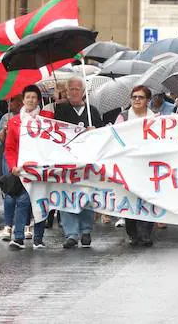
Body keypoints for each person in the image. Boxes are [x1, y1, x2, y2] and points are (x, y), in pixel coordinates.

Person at [53, 76, 103, 249]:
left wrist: (94, 132)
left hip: (86, 162)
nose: (74, 92)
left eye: (77, 89)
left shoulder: (93, 111)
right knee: (66, 196)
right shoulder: (59, 110)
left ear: (83, 92)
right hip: (66, 161)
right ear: (66, 92)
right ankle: (72, 233)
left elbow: (104, 135)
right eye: (71, 89)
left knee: (86, 195)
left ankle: (86, 230)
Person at [4, 86, 49, 249]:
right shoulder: (14, 121)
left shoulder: (46, 119)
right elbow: (9, 148)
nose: (30, 100)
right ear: (23, 100)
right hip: (22, 169)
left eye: (34, 97)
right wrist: (12, 166)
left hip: (41, 169)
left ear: (38, 100)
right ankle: (18, 237)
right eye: (28, 97)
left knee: (40, 202)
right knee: (22, 201)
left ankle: (38, 238)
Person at [114, 85, 156, 246]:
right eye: (134, 97)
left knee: (148, 198)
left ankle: (146, 232)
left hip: (149, 164)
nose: (137, 100)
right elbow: (114, 136)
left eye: (141, 97)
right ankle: (133, 232)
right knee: (130, 198)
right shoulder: (123, 117)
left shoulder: (156, 119)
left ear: (148, 101)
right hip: (128, 164)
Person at [0, 95, 23, 241]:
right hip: (9, 160)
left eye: (13, 100)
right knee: (10, 192)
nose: (10, 103)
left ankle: (25, 224)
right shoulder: (5, 118)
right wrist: (4, 131)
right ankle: (8, 224)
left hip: (25, 160)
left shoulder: (28, 118)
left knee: (25, 196)